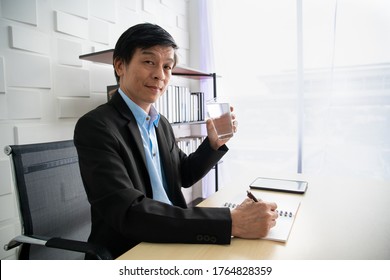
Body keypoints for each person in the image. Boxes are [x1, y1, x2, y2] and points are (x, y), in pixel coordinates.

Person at [74, 23, 278, 259]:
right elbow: (129, 212)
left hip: (175, 234)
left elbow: (183, 174)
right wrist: (232, 222)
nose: (160, 75)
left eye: (167, 66)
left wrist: (213, 144)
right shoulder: (96, 126)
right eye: (149, 62)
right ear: (120, 65)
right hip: (132, 248)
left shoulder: (160, 123)